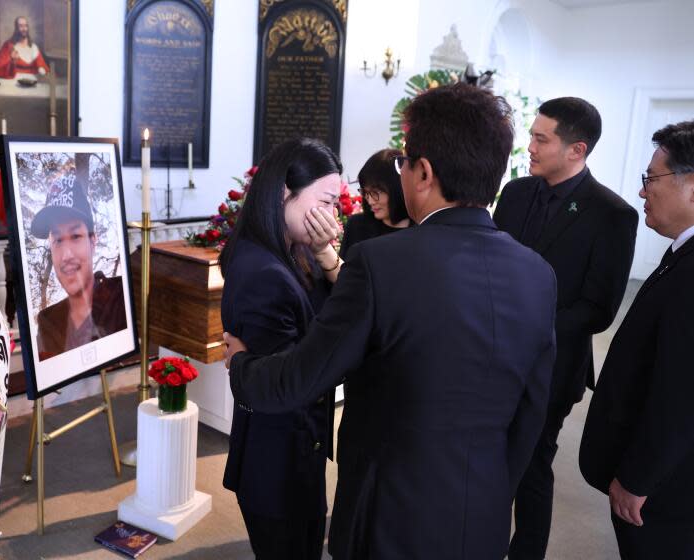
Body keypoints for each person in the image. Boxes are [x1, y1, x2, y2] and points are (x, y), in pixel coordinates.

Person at [225, 83, 558, 559]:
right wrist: (490, 492)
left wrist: (241, 364)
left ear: (422, 172)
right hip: (480, 514)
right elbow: (530, 415)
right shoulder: (538, 274)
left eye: (403, 161)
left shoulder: (381, 264)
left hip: (388, 517)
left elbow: (301, 376)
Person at [492, 96, 639, 560]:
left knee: (532, 468)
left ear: (576, 150)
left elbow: (598, 308)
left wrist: (526, 327)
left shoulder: (611, 214)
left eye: (541, 138)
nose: (529, 146)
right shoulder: (515, 193)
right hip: (491, 356)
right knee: (488, 462)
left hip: (552, 366)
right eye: (531, 135)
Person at [218, 137, 344, 560]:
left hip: (293, 448)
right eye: (326, 202)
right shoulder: (264, 272)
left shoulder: (288, 251)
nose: (332, 217)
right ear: (285, 193)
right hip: (278, 459)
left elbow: (318, 321)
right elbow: (290, 380)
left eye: (337, 205)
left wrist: (325, 253)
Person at [580, 120, 694, 559]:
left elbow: (682, 396)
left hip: (664, 493)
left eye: (653, 178)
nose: (643, 190)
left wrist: (638, 479)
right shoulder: (680, 253)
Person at [32, 174, 125, 361]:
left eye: (75, 236)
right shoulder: (48, 321)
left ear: (93, 241)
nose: (66, 255)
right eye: (57, 240)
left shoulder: (121, 297)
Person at [339, 148, 412, 259]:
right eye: (366, 192)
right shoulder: (357, 225)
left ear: (398, 190)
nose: (370, 201)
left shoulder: (421, 230)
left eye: (376, 192)